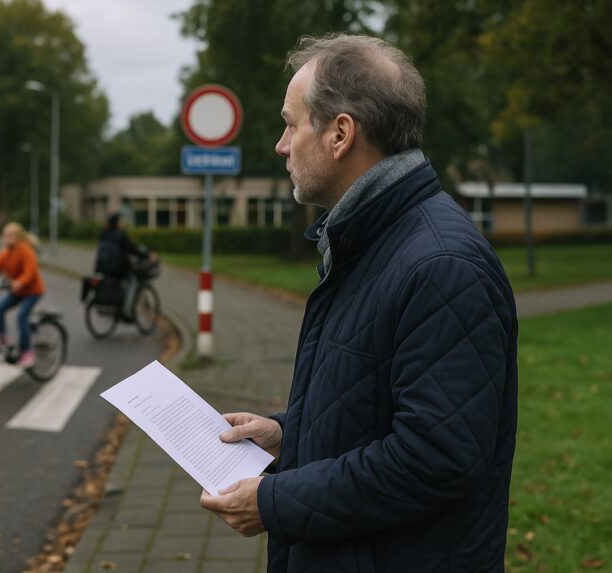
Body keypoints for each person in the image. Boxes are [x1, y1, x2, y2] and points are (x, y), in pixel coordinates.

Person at [199, 33, 518, 572]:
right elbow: (376, 406)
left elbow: (436, 459)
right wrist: (285, 435)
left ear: (340, 134)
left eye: (291, 124)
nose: (281, 144)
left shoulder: (440, 265)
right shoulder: (368, 240)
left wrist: (273, 501)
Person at [0, 222, 45, 367]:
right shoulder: (5, 253)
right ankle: (3, 340)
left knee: (21, 316)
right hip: (16, 291)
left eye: (11, 235)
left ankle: (27, 352)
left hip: (32, 291)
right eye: (6, 235)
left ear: (19, 237)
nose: (7, 238)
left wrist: (19, 282)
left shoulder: (26, 251)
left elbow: (30, 272)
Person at [95, 213, 149, 318]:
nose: (123, 223)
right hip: (116, 268)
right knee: (133, 282)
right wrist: (145, 255)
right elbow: (133, 249)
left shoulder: (104, 234)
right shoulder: (120, 235)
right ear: (117, 223)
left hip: (102, 266)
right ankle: (127, 310)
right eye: (121, 221)